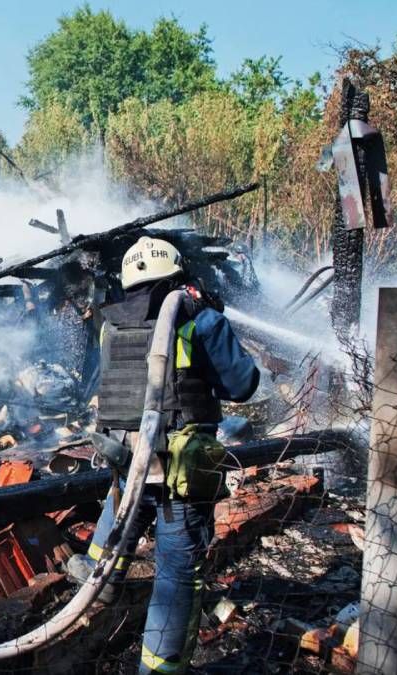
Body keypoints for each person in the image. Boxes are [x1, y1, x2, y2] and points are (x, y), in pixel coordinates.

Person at [66, 236, 260, 675]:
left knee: (117, 529)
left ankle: (103, 587)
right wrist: (214, 318)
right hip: (179, 478)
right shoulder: (199, 321)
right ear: (177, 276)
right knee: (174, 579)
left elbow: (97, 386)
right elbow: (243, 384)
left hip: (127, 468)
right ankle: (158, 669)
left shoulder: (108, 324)